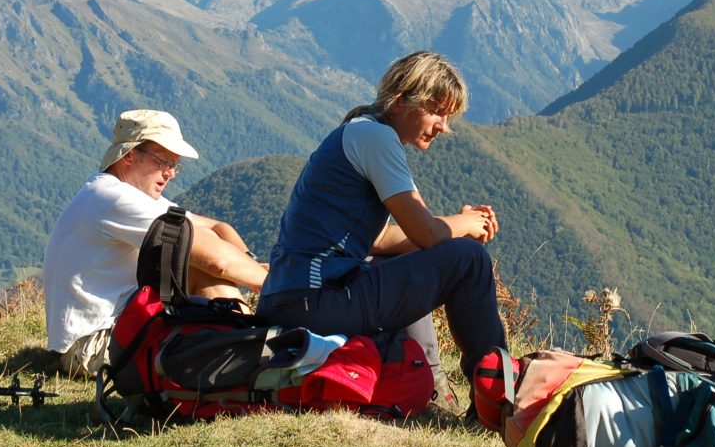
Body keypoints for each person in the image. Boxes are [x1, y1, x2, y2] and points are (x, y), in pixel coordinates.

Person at [256, 51, 507, 416]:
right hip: (316, 299)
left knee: (413, 258)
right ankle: (496, 397)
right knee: (468, 260)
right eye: (437, 110)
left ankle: (431, 385)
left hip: (291, 298)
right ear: (403, 99)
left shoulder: (359, 131)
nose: (443, 126)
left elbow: (377, 239)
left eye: (449, 116)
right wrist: (466, 225)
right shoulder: (376, 138)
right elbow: (428, 233)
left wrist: (448, 232)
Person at [43, 109, 266, 377]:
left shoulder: (125, 194)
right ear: (129, 156)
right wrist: (273, 282)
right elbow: (218, 261)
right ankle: (251, 357)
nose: (171, 173)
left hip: (116, 330)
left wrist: (249, 261)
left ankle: (248, 351)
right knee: (200, 267)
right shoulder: (114, 199)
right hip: (93, 347)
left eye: (175, 165)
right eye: (163, 162)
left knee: (194, 262)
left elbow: (218, 227)